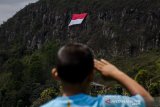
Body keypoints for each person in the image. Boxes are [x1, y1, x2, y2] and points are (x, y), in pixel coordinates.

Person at [41, 43, 153, 107]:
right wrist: (116, 73)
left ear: (56, 74)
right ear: (91, 76)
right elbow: (147, 101)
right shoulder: (106, 103)